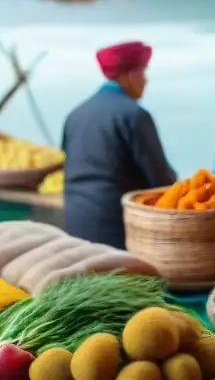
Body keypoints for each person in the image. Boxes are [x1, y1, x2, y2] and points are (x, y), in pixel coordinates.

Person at [63, 41, 176, 248]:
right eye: (143, 73)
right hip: (115, 229)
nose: (146, 80)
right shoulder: (134, 115)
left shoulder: (75, 115)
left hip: (74, 224)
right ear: (131, 75)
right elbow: (159, 178)